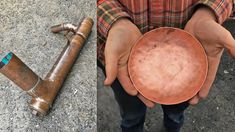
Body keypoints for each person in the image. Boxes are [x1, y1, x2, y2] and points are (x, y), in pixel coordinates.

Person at [97, 0, 235, 131]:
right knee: (131, 114)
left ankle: (172, 126)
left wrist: (207, 13)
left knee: (175, 113)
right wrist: (114, 20)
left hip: (189, 58)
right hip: (123, 57)